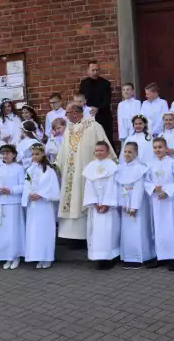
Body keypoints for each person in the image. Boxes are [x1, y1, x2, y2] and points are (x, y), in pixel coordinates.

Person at [56, 102, 115, 241]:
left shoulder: (94, 126)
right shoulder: (68, 130)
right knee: (73, 199)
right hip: (70, 172)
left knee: (84, 197)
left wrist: (110, 163)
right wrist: (57, 165)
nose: (66, 116)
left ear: (75, 113)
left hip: (86, 172)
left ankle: (87, 235)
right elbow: (62, 151)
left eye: (67, 113)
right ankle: (73, 237)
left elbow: (104, 145)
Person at [144, 137, 174, 271]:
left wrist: (166, 191)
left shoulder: (173, 163)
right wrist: (154, 189)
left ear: (166, 148)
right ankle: (161, 256)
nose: (157, 150)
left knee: (171, 227)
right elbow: (147, 181)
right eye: (155, 147)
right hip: (156, 199)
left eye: (160, 147)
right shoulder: (150, 164)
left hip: (170, 200)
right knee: (159, 228)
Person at [82, 141, 120, 270]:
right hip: (96, 207)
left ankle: (110, 257)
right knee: (96, 233)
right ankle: (98, 258)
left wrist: (107, 203)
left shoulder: (112, 166)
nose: (98, 153)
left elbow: (112, 186)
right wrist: (94, 203)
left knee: (108, 232)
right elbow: (89, 185)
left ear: (107, 152)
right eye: (96, 150)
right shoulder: (90, 166)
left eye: (101, 150)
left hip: (108, 206)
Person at [116, 142, 154, 269]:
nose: (127, 154)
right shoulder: (120, 168)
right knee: (126, 231)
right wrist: (123, 203)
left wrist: (134, 206)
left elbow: (139, 189)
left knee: (138, 229)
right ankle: (128, 256)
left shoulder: (140, 168)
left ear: (136, 153)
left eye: (130, 152)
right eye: (125, 151)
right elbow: (119, 187)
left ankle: (140, 256)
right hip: (125, 203)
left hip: (137, 204)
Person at [22, 142, 59, 269]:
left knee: (45, 230)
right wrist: (29, 195)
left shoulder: (49, 170)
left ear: (43, 154)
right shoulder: (30, 169)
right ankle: (37, 256)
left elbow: (52, 187)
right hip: (34, 206)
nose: (34, 157)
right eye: (32, 154)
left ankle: (47, 257)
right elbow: (27, 185)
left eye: (37, 154)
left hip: (44, 204)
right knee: (35, 231)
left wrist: (40, 194)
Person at [0, 144, 26, 270]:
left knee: (14, 230)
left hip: (14, 202)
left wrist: (11, 190)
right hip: (2, 203)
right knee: (4, 231)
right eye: (3, 153)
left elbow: (23, 185)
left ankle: (15, 255)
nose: (5, 155)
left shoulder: (19, 168)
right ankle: (6, 256)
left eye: (8, 153)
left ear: (14, 154)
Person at [79, 61, 114, 144]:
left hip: (103, 116)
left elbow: (107, 100)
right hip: (87, 116)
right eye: (93, 70)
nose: (95, 72)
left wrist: (98, 109)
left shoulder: (105, 83)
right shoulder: (83, 84)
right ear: (88, 71)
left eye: (97, 70)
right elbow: (81, 99)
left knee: (106, 141)